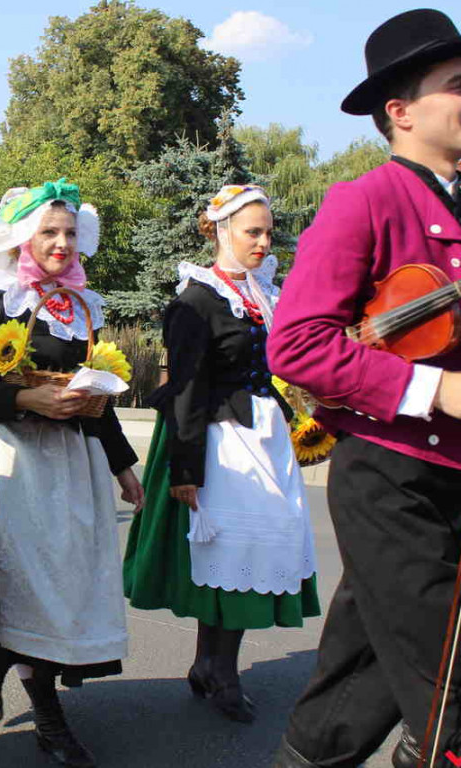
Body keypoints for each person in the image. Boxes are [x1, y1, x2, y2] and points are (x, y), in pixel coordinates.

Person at [268, 10, 461, 768]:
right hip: (393, 481)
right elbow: (297, 345)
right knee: (450, 703)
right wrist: (437, 393)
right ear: (401, 111)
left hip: (448, 480)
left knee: (354, 695)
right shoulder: (365, 201)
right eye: (457, 86)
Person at [0, 180, 144, 768]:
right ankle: (45, 714)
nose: (62, 243)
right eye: (49, 232)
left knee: (63, 586)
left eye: (69, 233)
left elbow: (99, 391)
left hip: (74, 464)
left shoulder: (83, 307)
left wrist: (123, 467)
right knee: (24, 587)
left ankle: (0, 665)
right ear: (22, 238)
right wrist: (23, 402)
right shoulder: (0, 299)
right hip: (18, 465)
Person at [124, 185, 320, 725]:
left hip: (261, 435)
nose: (262, 241)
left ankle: (210, 665)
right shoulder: (196, 301)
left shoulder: (263, 293)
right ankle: (221, 671)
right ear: (220, 231)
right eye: (251, 231)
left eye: (267, 231)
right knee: (230, 554)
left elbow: (275, 365)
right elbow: (187, 388)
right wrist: (186, 469)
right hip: (217, 440)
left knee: (249, 554)